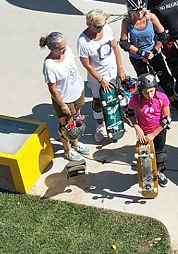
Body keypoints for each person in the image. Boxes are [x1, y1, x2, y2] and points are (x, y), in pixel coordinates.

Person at [119, 0, 178, 111]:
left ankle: (172, 100)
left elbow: (163, 36)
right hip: (137, 55)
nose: (139, 13)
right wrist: (142, 53)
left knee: (165, 77)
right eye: (135, 11)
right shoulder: (127, 22)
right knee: (144, 81)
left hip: (153, 52)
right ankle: (148, 103)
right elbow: (124, 43)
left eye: (141, 10)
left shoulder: (151, 17)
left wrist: (154, 50)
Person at [39, 32, 91, 162]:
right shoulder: (49, 65)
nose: (65, 48)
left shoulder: (66, 51)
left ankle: (75, 142)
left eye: (65, 45)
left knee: (77, 121)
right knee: (66, 126)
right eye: (61, 48)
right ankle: (67, 150)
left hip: (77, 92)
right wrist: (62, 105)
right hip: (65, 99)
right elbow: (52, 88)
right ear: (53, 48)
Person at [77, 9, 127, 142]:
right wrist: (101, 80)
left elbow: (115, 47)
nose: (100, 29)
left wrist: (120, 69)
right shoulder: (83, 41)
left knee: (118, 95)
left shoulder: (107, 29)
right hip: (97, 77)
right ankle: (100, 125)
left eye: (102, 26)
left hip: (112, 72)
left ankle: (123, 117)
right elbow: (86, 64)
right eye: (98, 27)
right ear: (89, 24)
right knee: (98, 101)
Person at [129, 74, 171, 188]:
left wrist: (153, 134)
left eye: (152, 91)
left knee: (160, 153)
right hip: (144, 132)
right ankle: (147, 171)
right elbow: (129, 112)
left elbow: (167, 119)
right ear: (141, 91)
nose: (150, 95)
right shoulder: (136, 99)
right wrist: (137, 128)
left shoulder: (162, 98)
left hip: (159, 130)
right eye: (146, 93)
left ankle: (159, 172)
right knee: (144, 154)